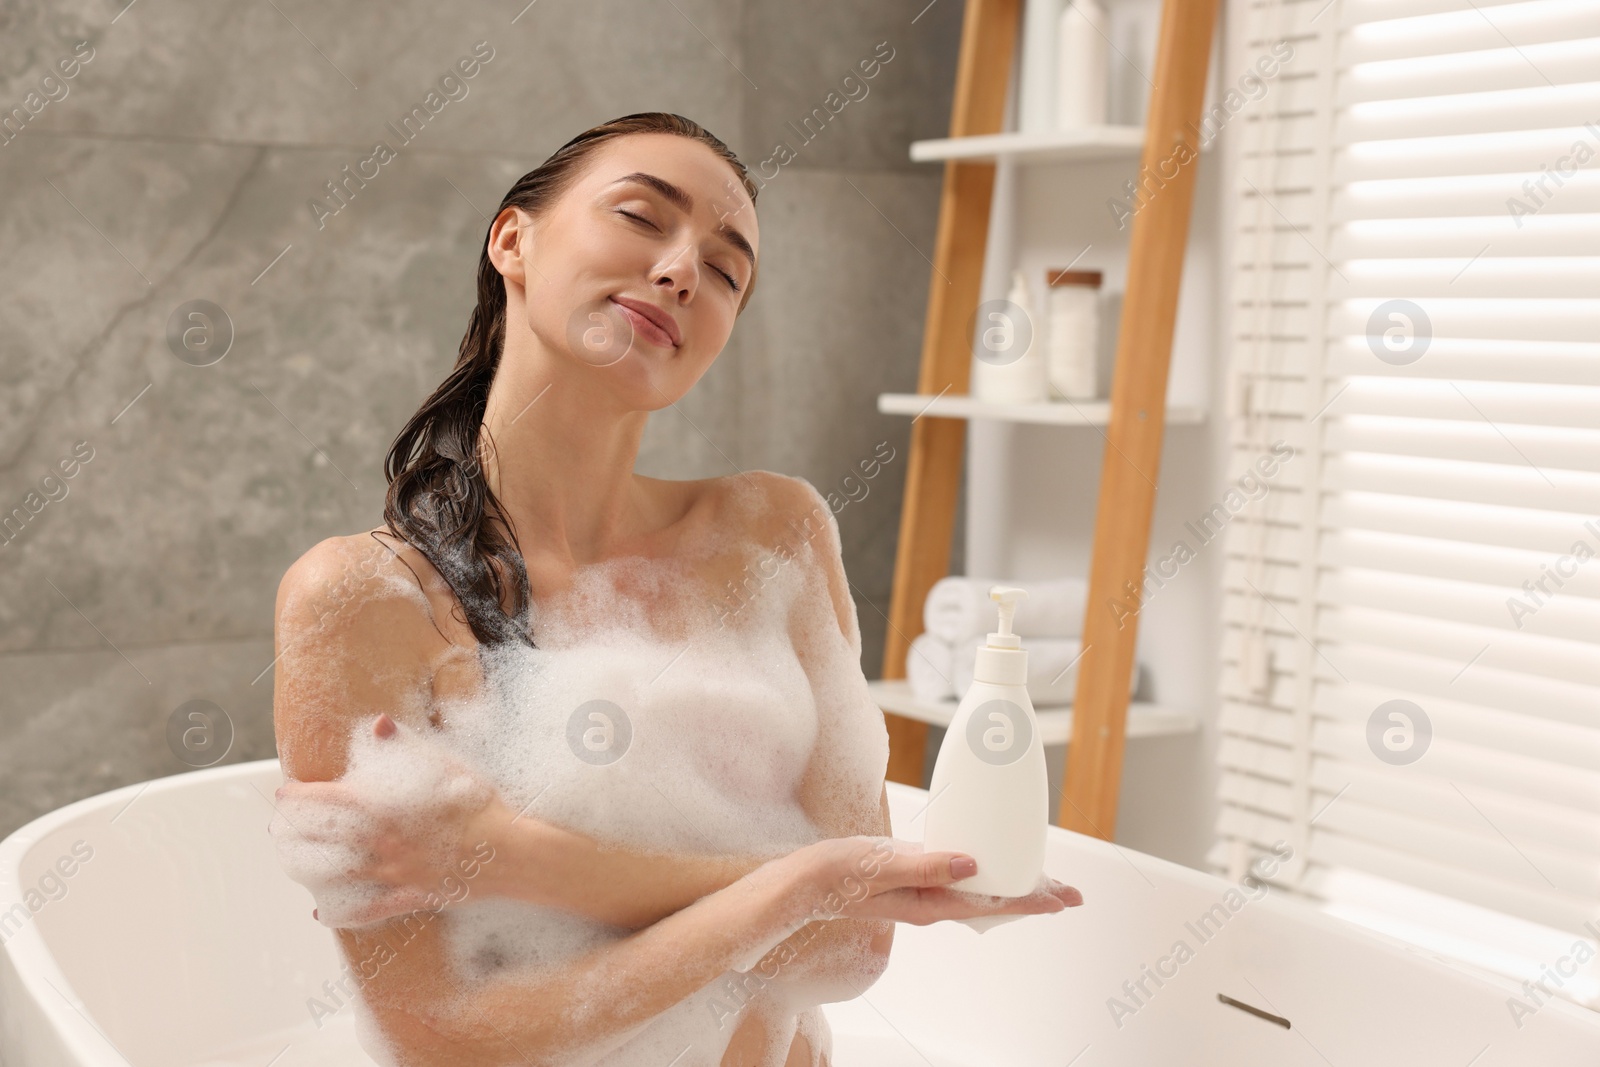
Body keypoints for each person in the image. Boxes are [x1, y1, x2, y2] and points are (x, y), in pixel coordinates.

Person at [269, 112, 1083, 1067]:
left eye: (727, 271)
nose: (682, 270)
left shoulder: (774, 536)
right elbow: (443, 1039)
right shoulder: (362, 599)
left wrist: (526, 859)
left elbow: (853, 942)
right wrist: (801, 881)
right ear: (512, 240)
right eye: (640, 215)